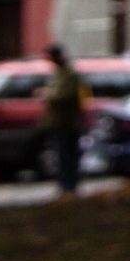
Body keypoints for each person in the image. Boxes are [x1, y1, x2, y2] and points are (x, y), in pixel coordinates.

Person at [41, 43, 84, 195]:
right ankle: (65, 186)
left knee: (68, 156)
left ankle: (69, 186)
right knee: (61, 156)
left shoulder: (69, 74)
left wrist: (48, 95)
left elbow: (65, 96)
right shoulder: (59, 73)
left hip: (68, 122)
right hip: (58, 123)